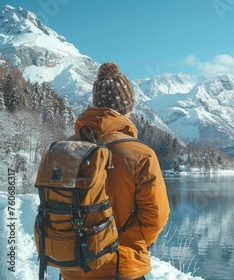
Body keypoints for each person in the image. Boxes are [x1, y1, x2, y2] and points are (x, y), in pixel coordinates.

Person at [61, 62, 170, 280]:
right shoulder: (139, 154)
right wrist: (139, 241)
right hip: (121, 266)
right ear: (127, 107)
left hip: (73, 265)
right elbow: (156, 215)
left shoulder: (66, 148)